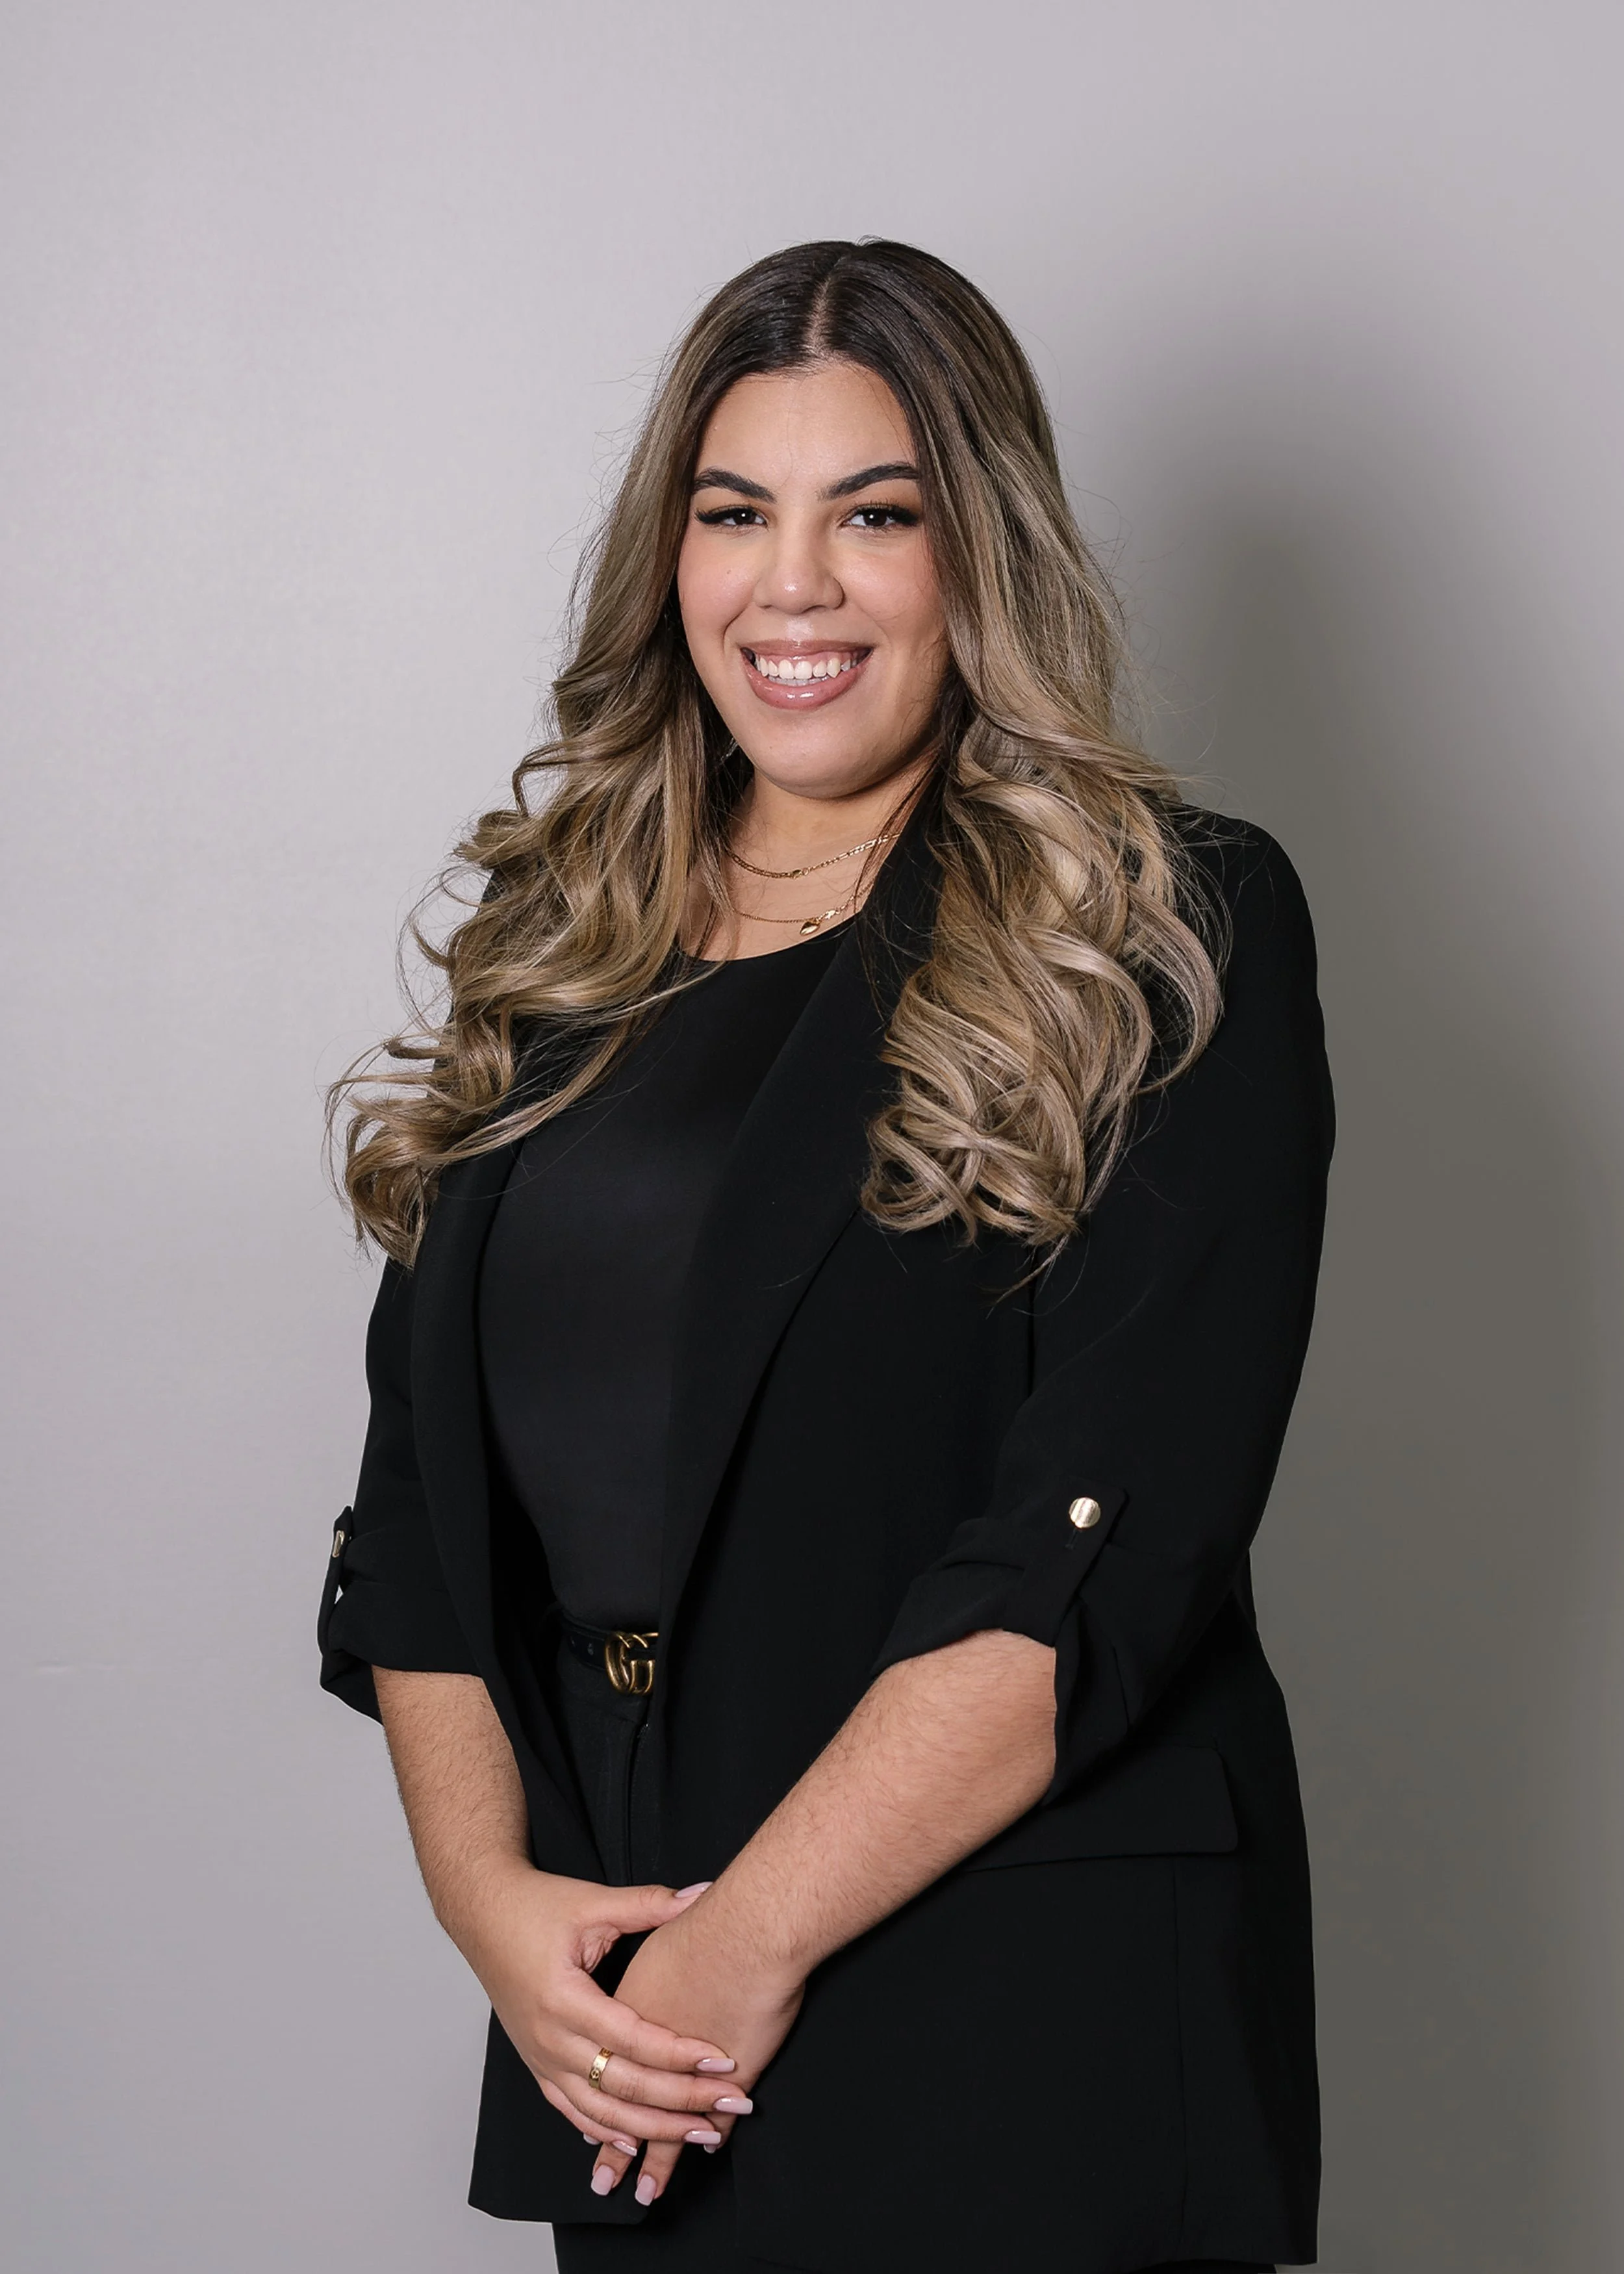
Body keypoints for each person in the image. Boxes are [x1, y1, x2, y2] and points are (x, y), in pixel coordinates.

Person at [320, 238, 1334, 2274]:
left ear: (984, 553)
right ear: (668, 558)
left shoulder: (1161, 924)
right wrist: (492, 1901)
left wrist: (749, 1944)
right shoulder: (562, 947)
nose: (791, 586)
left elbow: (1097, 1543)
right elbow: (425, 1512)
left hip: (1007, 1997)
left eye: (875, 514)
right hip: (631, 2000)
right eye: (732, 513)